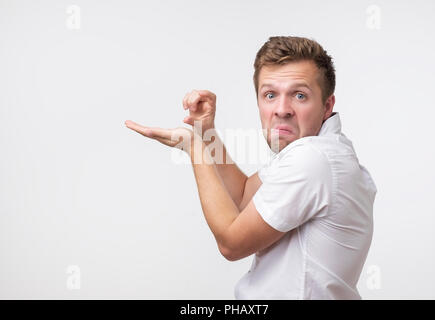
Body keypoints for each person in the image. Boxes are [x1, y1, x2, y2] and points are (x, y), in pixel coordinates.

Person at [125, 36, 377, 299]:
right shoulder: (320, 150)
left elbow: (231, 244)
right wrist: (205, 130)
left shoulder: (313, 159)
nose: (282, 109)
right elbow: (245, 198)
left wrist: (195, 147)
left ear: (327, 106)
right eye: (270, 95)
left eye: (300, 95)